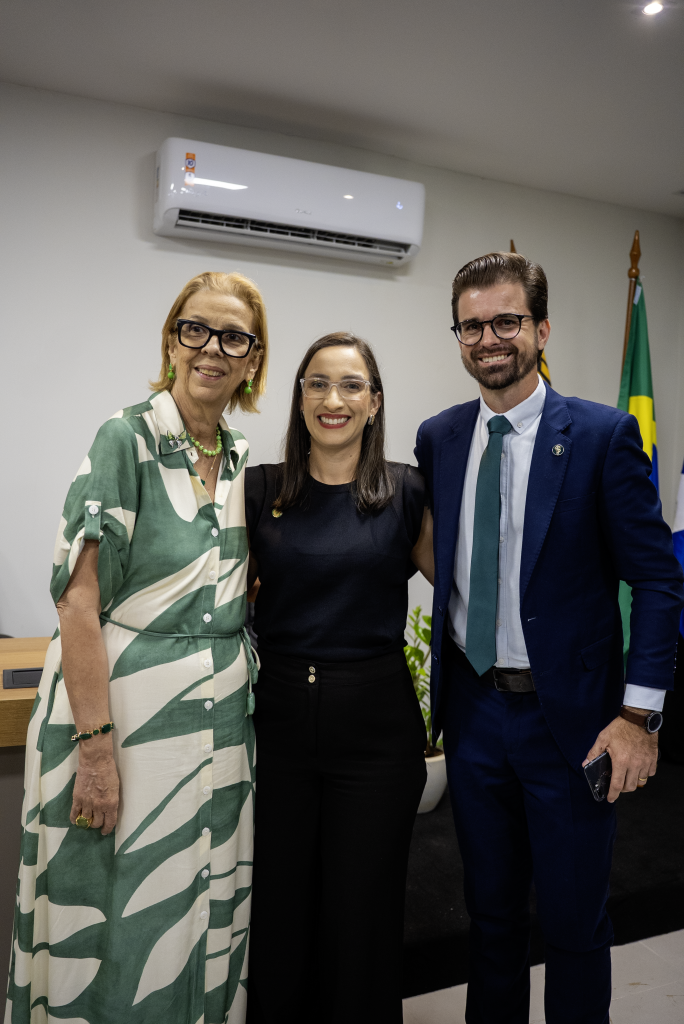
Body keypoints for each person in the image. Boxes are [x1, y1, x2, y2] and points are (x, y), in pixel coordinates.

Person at [415, 252, 684, 1024]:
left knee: (572, 925)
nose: (489, 338)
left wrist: (638, 718)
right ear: (458, 336)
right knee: (491, 920)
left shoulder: (602, 436)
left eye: (507, 321)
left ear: (541, 329)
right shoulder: (441, 438)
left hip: (571, 724)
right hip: (473, 718)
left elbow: (658, 579)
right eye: (472, 325)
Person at [6, 271, 268, 1024]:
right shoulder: (125, 439)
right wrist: (95, 750)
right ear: (171, 341)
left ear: (254, 359)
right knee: (117, 909)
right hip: (122, 724)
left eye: (233, 337)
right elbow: (77, 602)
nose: (211, 349)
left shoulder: (244, 456)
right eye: (195, 329)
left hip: (218, 729)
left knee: (201, 900)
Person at [244, 332, 434, 1024]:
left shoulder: (407, 490)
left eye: (352, 385)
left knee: (363, 914)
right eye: (318, 383)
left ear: (374, 402)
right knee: (278, 909)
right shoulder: (259, 488)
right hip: (277, 727)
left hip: (376, 733)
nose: (334, 399)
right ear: (300, 399)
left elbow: (470, 594)